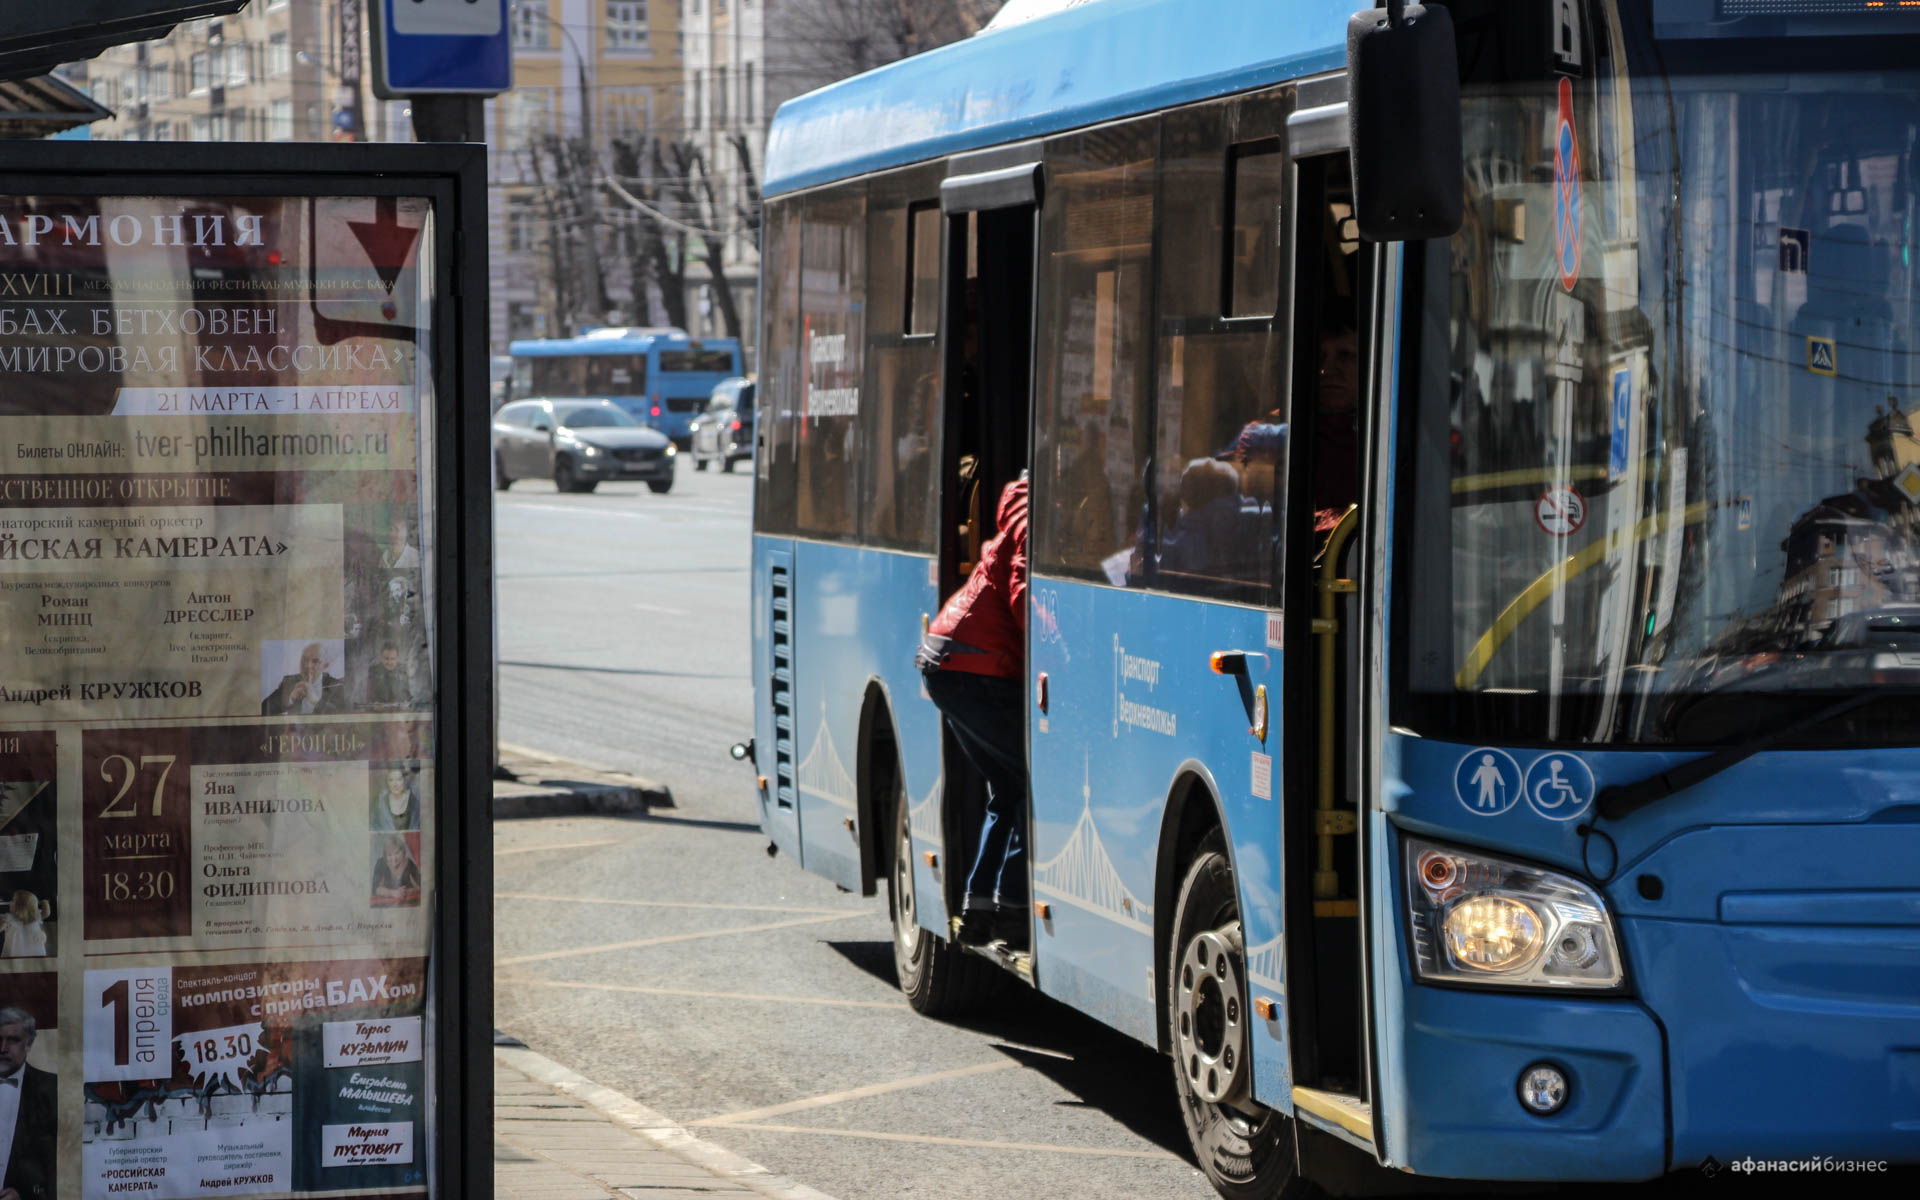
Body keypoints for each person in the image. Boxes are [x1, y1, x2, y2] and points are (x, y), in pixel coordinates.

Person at [916, 476, 1030, 950]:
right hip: (974, 669)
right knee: (1030, 784)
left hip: (952, 663)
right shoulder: (1032, 511)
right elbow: (1023, 596)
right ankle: (1012, 911)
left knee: (1007, 790)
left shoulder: (1019, 511)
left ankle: (978, 911)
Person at [0, 1004, 55, 1200]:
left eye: (12, 1040)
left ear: (29, 1044)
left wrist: (26, 1195)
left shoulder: (52, 1089)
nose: (2, 1048)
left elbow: (61, 1162)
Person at [262, 643, 345, 716]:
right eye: (305, 659)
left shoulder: (338, 686)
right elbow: (263, 708)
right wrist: (289, 700)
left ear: (325, 666)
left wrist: (316, 701)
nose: (308, 665)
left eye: (315, 661)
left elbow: (343, 715)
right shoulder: (288, 681)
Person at [371, 834, 422, 906]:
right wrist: (393, 893)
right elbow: (375, 889)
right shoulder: (380, 863)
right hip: (384, 904)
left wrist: (408, 891)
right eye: (389, 855)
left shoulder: (409, 863)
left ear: (403, 852)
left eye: (397, 853)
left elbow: (421, 885)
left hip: (405, 903)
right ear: (385, 856)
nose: (394, 858)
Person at [371, 767, 420, 832]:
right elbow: (373, 826)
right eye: (391, 780)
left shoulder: (414, 799)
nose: (395, 784)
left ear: (404, 780)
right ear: (387, 782)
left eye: (399, 779)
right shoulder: (381, 802)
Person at [366, 644, 409, 709]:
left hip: (399, 713)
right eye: (386, 659)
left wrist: (406, 702)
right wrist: (374, 704)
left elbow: (408, 695)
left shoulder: (403, 671)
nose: (389, 662)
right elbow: (369, 696)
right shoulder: (373, 671)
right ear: (381, 658)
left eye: (393, 659)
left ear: (397, 658)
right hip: (379, 713)